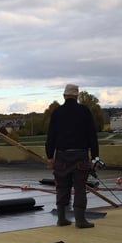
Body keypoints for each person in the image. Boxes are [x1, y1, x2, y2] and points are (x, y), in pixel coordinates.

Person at [46, 84, 100, 228]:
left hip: (61, 156)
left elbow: (51, 136)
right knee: (80, 187)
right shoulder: (84, 111)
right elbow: (92, 136)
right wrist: (95, 157)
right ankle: (80, 220)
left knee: (62, 187)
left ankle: (61, 218)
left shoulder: (57, 113)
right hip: (80, 155)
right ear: (77, 96)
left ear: (64, 96)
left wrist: (50, 156)